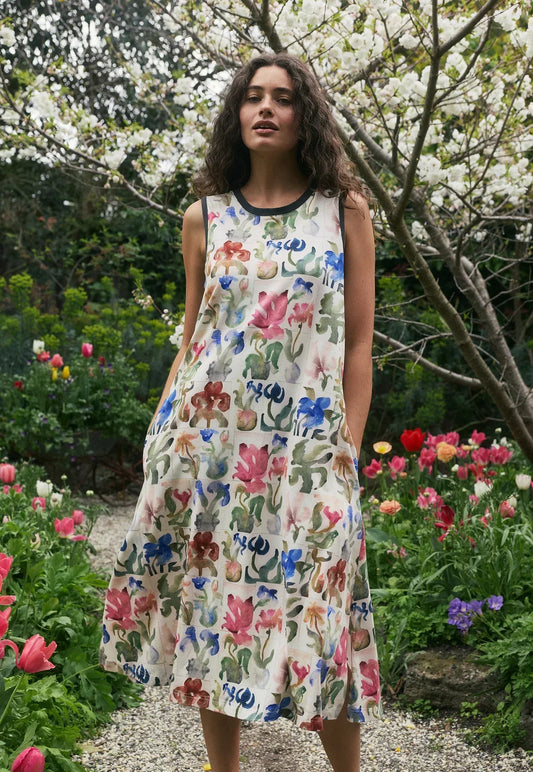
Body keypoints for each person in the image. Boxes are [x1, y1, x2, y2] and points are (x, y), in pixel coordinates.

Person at [100, 52, 381, 772]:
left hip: (308, 454)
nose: (265, 108)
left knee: (321, 619)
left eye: (282, 98)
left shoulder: (344, 211)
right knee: (213, 613)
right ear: (236, 114)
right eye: (252, 97)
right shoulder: (203, 217)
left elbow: (357, 343)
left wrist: (347, 447)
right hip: (208, 448)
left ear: (304, 117)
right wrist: (160, 434)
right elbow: (193, 336)